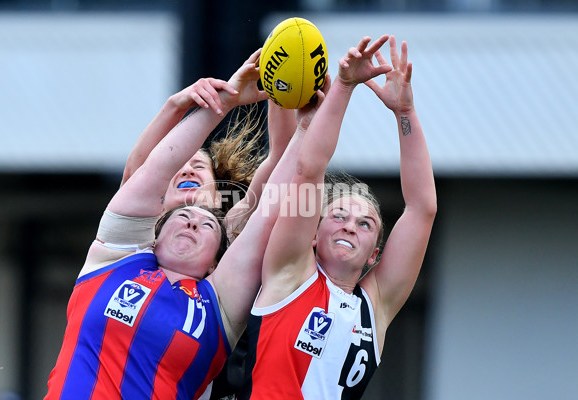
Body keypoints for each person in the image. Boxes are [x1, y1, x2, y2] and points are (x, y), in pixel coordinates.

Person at [44, 48, 324, 400]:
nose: (192, 221)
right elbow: (143, 171)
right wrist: (182, 106)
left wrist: (286, 92)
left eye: (200, 168)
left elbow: (275, 187)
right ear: (156, 232)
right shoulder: (122, 253)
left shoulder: (231, 243)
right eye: (180, 169)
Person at [238, 35, 437, 399]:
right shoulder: (290, 272)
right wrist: (344, 85)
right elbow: (310, 168)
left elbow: (422, 209)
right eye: (339, 215)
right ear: (313, 235)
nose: (350, 224)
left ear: (374, 256)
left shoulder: (375, 306)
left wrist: (405, 113)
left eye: (366, 224)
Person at [120, 76, 297, 242]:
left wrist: (279, 80)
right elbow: (133, 177)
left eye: (198, 166)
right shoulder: (138, 240)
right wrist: (174, 105)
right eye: (175, 169)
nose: (188, 171)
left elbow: (281, 161)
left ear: (217, 198)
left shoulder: (228, 237)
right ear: (157, 195)